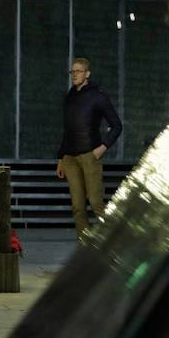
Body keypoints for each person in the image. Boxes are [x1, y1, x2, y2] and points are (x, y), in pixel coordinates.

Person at [55, 57, 122, 235]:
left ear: (87, 74)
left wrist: (102, 148)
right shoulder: (69, 97)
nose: (74, 74)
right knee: (78, 206)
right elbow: (67, 129)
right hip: (70, 158)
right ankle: (84, 245)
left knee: (95, 202)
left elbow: (116, 126)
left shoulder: (97, 96)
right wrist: (61, 157)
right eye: (72, 71)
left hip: (89, 156)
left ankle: (112, 241)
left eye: (78, 71)